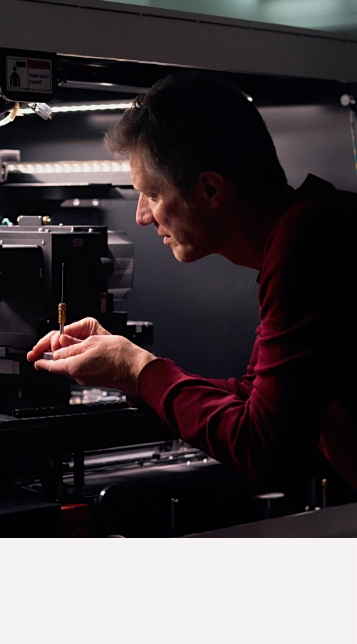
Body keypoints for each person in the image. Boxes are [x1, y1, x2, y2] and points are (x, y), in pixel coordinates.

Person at [28, 71, 357, 489]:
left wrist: (139, 369)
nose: (142, 216)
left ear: (210, 190)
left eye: (152, 194)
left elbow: (264, 446)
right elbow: (253, 398)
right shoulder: (314, 226)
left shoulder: (308, 245)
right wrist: (128, 371)